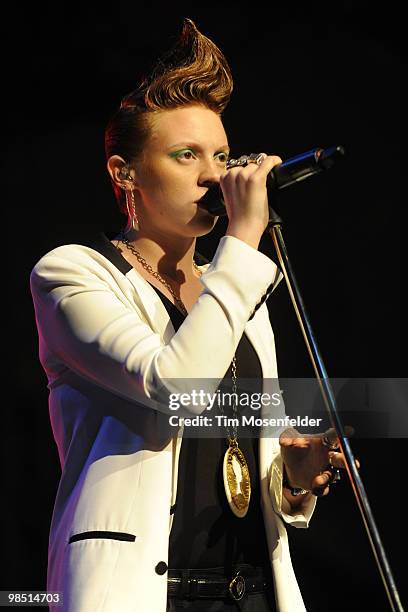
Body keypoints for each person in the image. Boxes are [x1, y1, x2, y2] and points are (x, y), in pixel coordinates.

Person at [30, 17, 347, 612]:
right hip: (141, 592)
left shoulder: (240, 293)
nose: (213, 174)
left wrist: (295, 475)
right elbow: (175, 385)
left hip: (251, 591)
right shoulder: (73, 273)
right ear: (126, 173)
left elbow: (249, 452)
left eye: (222, 155)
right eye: (186, 155)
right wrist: (245, 238)